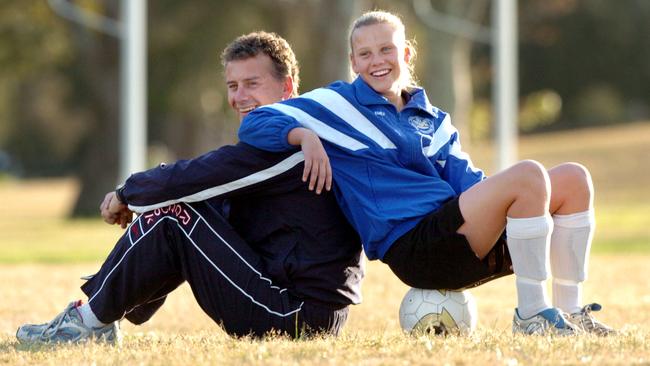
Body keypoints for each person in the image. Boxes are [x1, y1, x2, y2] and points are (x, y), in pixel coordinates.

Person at [238, 11, 615, 336]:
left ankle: (570, 313)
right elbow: (254, 124)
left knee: (573, 178)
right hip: (413, 245)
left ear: (405, 53)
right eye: (365, 54)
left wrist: (511, 206)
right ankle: (532, 315)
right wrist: (304, 136)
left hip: (456, 232)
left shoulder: (432, 118)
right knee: (528, 174)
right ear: (353, 62)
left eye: (386, 49)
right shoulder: (334, 104)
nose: (376, 61)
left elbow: (469, 184)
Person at [16, 31, 364, 344]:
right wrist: (145, 204)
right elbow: (204, 193)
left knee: (176, 214)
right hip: (294, 303)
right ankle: (100, 316)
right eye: (232, 86)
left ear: (287, 88)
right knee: (180, 207)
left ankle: (90, 322)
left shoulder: (289, 145)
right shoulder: (290, 138)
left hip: (298, 315)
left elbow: (196, 175)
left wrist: (126, 193)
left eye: (252, 84)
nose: (240, 96)